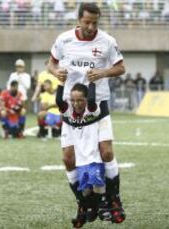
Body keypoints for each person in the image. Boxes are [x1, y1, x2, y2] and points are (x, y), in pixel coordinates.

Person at [47, 2, 126, 226]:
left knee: (106, 153)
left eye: (95, 23)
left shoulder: (107, 41)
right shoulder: (64, 40)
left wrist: (102, 72)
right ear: (79, 20)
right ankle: (83, 203)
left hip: (98, 107)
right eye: (87, 22)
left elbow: (121, 68)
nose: (91, 27)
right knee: (68, 159)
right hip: (71, 109)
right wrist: (56, 72)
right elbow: (50, 64)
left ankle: (113, 199)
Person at [57, 82, 109, 227]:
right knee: (85, 190)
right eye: (73, 100)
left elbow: (92, 101)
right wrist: (61, 84)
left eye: (80, 100)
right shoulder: (68, 113)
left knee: (97, 184)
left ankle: (99, 206)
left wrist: (92, 83)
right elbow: (59, 101)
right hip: (80, 161)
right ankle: (89, 207)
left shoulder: (92, 111)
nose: (76, 103)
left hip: (94, 158)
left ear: (86, 100)